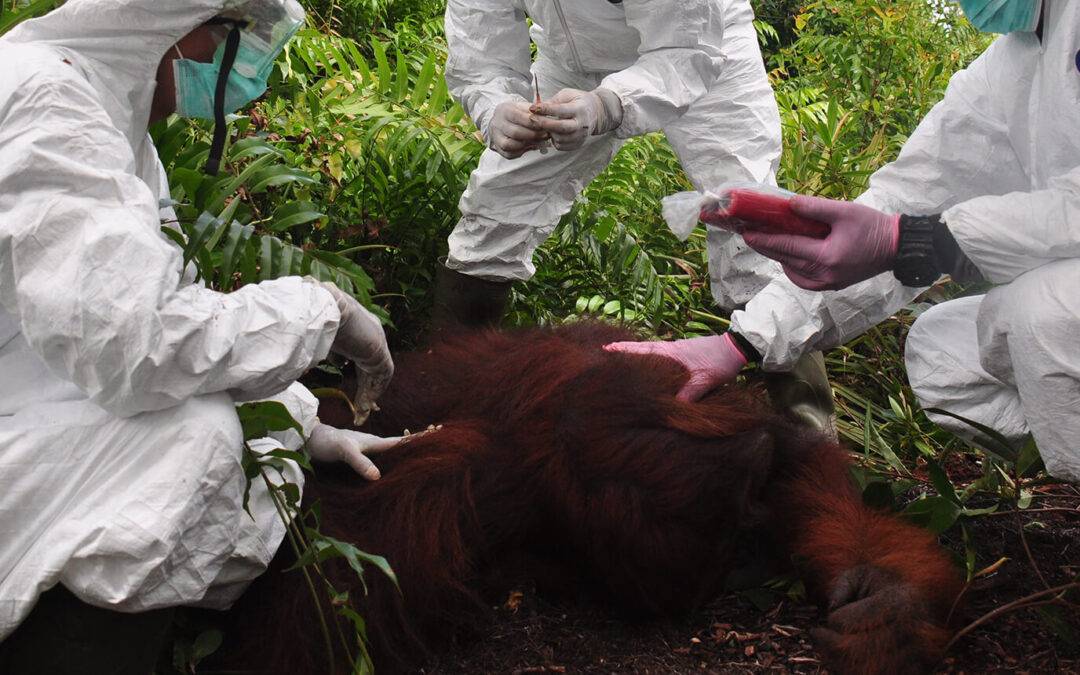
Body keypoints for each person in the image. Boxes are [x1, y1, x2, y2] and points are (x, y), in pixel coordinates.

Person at [0, 0, 401, 668]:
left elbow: (151, 318)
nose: (240, 64)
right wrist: (320, 311)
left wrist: (300, 423)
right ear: (173, 22)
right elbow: (136, 347)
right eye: (233, 36)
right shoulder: (48, 100)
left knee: (223, 424)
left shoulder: (105, 114)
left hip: (19, 390)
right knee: (194, 442)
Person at [625, 0, 1080, 483]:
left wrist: (922, 240)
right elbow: (911, 196)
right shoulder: (1009, 69)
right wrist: (739, 344)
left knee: (1040, 314)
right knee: (943, 353)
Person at [437, 0, 834, 429]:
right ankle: (447, 399)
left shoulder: (699, 43)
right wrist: (494, 106)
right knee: (495, 209)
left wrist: (607, 106)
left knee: (752, 227)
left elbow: (686, 50)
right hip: (570, 64)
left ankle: (809, 435)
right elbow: (481, 42)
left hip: (704, 50)